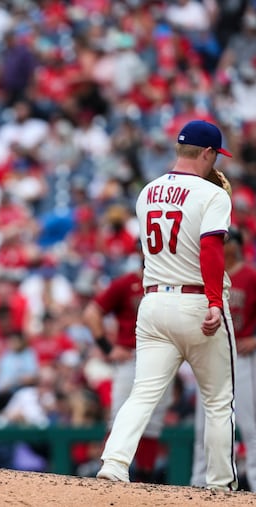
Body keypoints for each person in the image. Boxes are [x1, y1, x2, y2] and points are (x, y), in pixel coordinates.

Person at [96, 120, 238, 491]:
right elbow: (210, 248)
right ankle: (220, 486)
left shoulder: (147, 192)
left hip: (154, 301)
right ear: (207, 153)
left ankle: (113, 462)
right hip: (196, 302)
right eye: (214, 156)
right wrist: (213, 302)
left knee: (142, 392)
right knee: (218, 401)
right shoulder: (213, 195)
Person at [82, 251, 172, 483]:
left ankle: (145, 482)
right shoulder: (127, 283)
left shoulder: (171, 280)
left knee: (153, 423)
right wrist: (108, 348)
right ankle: (108, 474)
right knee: (119, 417)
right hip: (130, 356)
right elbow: (91, 313)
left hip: (163, 355)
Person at [191, 227, 256, 489]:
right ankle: (196, 484)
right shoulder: (206, 272)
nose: (227, 245)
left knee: (251, 428)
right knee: (202, 426)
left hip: (243, 358)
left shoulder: (250, 275)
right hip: (210, 355)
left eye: (231, 241)